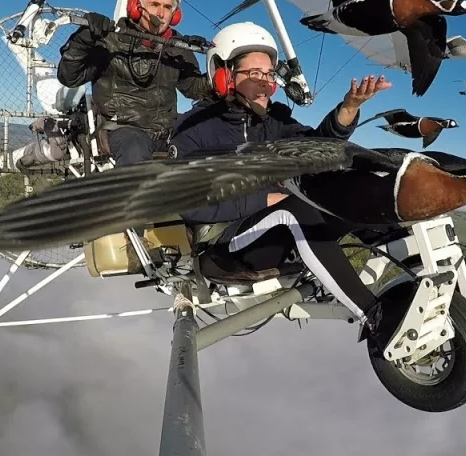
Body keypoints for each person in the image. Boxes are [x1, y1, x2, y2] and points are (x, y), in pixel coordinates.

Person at [167, 21, 409, 354]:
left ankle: (415, 262)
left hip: (273, 233)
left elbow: (316, 148)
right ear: (224, 75)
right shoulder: (195, 129)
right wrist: (263, 198)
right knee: (295, 209)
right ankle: (376, 318)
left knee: (350, 185)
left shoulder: (275, 121)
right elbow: (185, 199)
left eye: (269, 74)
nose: (265, 83)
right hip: (222, 247)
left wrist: (348, 109)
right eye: (254, 73)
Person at [56, 0, 212, 165]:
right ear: (135, 6)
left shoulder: (177, 47)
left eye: (167, 7)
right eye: (155, 4)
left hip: (167, 131)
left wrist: (219, 73)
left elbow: (193, 89)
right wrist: (83, 39)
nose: (161, 13)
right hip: (122, 129)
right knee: (135, 150)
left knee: (209, 141)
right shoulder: (110, 39)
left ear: (175, 14)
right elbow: (69, 77)